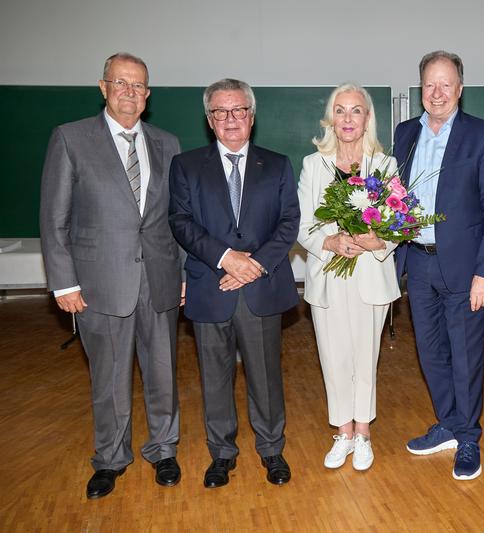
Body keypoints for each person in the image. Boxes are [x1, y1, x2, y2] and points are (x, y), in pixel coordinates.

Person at [39, 52, 183, 498]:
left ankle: (163, 449)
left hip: (158, 279)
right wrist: (64, 282)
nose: (129, 92)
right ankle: (110, 458)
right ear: (103, 87)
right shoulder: (70, 138)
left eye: (137, 85)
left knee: (163, 373)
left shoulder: (168, 143)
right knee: (109, 379)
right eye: (120, 83)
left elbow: (175, 219)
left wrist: (180, 276)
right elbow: (54, 217)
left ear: (148, 95)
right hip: (100, 283)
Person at [169, 78, 299, 488]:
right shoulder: (186, 165)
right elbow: (180, 222)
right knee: (215, 376)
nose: (231, 119)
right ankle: (221, 454)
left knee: (265, 375)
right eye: (221, 112)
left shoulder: (277, 165)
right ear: (209, 120)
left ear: (252, 116)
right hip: (211, 287)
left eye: (239, 110)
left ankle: (271, 449)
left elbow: (288, 222)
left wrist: (254, 264)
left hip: (261, 288)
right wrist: (227, 258)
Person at [394, 51, 484, 480]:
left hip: (464, 269)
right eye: (429, 85)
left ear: (460, 88)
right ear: (420, 89)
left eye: (445, 84)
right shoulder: (405, 133)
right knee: (430, 353)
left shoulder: (483, 135)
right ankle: (448, 423)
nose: (437, 93)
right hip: (418, 264)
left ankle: (469, 436)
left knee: (465, 356)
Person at [297, 83, 400, 471]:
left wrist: (378, 242)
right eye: (340, 111)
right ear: (331, 118)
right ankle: (342, 433)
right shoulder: (313, 164)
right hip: (329, 276)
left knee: (364, 357)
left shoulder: (385, 166)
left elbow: (397, 224)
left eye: (356, 111)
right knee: (334, 356)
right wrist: (332, 241)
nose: (347, 119)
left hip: (371, 276)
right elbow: (303, 226)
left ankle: (364, 434)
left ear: (367, 118)